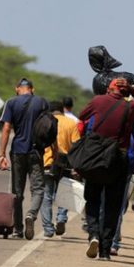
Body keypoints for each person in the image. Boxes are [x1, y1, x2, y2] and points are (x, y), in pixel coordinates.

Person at [78, 78, 134, 260]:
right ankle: (105, 251)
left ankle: (93, 235)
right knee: (112, 206)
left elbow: (81, 116)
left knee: (93, 199)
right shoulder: (131, 107)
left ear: (109, 89)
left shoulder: (98, 101)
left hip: (95, 157)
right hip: (118, 159)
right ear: (125, 91)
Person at [0, 78, 49, 240]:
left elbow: (6, 129)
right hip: (36, 152)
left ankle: (18, 230)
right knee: (38, 189)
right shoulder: (42, 102)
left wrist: (2, 155)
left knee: (17, 192)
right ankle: (31, 214)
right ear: (32, 89)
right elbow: (49, 127)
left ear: (17, 89)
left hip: (17, 151)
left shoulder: (11, 102)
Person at [39, 101, 80, 237]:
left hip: (47, 162)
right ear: (62, 110)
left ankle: (48, 228)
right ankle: (61, 218)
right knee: (64, 192)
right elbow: (76, 145)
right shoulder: (71, 123)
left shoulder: (45, 122)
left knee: (47, 195)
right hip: (66, 163)